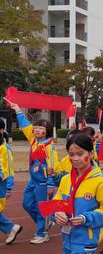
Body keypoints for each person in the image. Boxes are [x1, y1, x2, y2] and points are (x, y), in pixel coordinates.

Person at [10, 103, 59, 244]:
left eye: (40, 128)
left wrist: (50, 184)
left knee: (42, 207)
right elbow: (25, 126)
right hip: (33, 180)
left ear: (47, 131)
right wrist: (18, 110)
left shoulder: (49, 147)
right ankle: (45, 223)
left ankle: (42, 233)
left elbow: (52, 167)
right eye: (36, 127)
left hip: (44, 182)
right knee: (27, 204)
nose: (36, 130)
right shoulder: (34, 141)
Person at [0, 132, 22, 245]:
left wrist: (9, 187)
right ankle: (12, 227)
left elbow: (8, 169)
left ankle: (11, 227)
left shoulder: (4, 148)